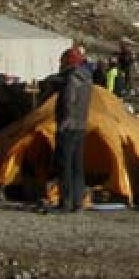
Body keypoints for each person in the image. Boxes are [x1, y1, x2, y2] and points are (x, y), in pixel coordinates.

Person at [52, 46, 93, 212]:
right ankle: (78, 202)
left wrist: (63, 122)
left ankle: (65, 201)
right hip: (81, 125)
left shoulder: (70, 79)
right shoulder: (87, 78)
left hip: (68, 126)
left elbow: (68, 102)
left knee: (65, 164)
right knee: (77, 166)